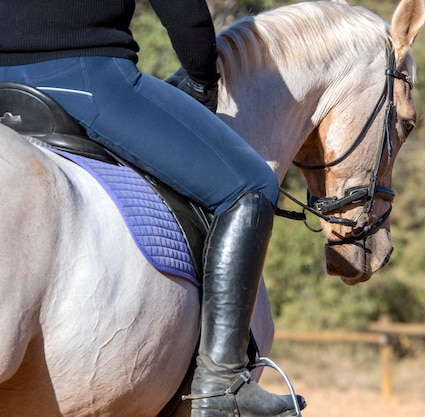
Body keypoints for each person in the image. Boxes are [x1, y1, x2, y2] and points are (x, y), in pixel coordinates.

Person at [0, 1, 304, 416]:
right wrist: (201, 74)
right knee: (251, 186)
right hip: (87, 79)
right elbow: (183, 10)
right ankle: (222, 382)